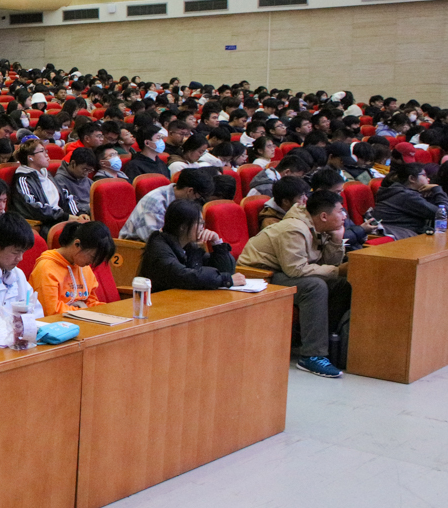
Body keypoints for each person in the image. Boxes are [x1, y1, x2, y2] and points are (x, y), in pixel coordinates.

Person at [238, 190, 351, 378]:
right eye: (340, 211)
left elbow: (328, 264)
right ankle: (312, 355)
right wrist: (338, 270)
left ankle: (328, 343)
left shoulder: (318, 227)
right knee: (315, 287)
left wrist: (336, 241)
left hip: (282, 271)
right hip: (260, 275)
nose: (344, 216)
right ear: (324, 216)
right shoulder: (294, 229)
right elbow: (296, 270)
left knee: (341, 284)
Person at [135, 199, 243, 292]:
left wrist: (217, 243)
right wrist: (225, 280)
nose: (202, 228)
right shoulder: (159, 248)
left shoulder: (189, 246)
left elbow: (226, 270)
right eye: (199, 223)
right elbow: (184, 276)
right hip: (158, 302)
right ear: (183, 226)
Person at [29, 221, 113, 315]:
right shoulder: (46, 268)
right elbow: (51, 310)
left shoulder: (83, 266)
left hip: (81, 318)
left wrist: (105, 310)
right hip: (57, 321)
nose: (92, 263)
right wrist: (86, 313)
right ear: (77, 244)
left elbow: (91, 301)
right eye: (92, 257)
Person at [120, 167, 214, 242]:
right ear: (190, 191)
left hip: (171, 247)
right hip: (137, 248)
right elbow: (154, 239)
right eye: (200, 196)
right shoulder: (155, 202)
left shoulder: (187, 202)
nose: (200, 200)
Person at [10, 139, 84, 230]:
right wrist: (65, 216)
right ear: (30, 157)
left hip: (60, 219)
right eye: (42, 151)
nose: (46, 154)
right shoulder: (23, 179)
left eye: (46, 150)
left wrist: (79, 214)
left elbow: (65, 195)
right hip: (46, 224)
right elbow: (33, 207)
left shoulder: (46, 174)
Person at [371, 162, 438, 240]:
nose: (428, 179)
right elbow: (441, 214)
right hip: (396, 237)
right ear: (412, 178)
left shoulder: (402, 192)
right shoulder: (406, 196)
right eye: (424, 175)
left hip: (402, 234)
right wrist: (437, 190)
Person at [53, 147, 97, 215]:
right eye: (85, 169)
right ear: (73, 163)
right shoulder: (60, 181)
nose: (86, 173)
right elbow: (67, 207)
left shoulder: (87, 180)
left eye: (90, 170)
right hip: (78, 215)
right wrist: (90, 206)